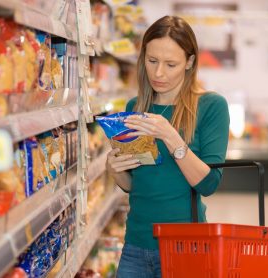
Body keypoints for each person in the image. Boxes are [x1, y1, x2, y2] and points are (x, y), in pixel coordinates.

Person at [106, 15, 230, 278]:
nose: (159, 73)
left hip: (186, 247)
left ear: (190, 62)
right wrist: (115, 169)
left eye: (170, 64)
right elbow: (135, 184)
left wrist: (171, 137)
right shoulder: (134, 108)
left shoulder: (211, 106)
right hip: (136, 245)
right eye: (152, 61)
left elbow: (208, 184)